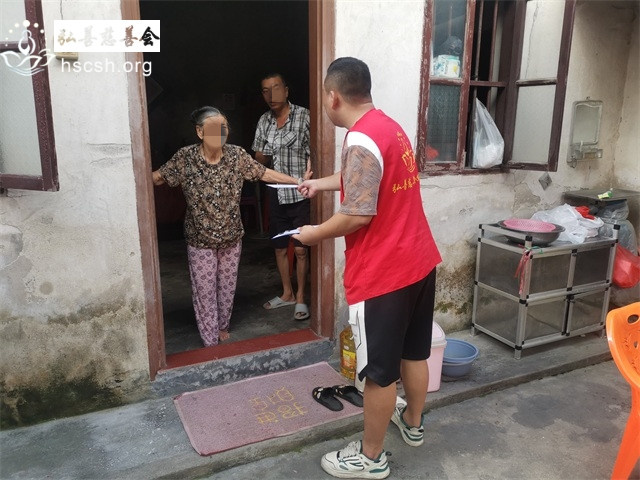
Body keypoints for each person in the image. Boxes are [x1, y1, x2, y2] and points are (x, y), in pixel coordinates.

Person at [294, 57, 442, 479]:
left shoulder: (360, 139)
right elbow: (363, 177)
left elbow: (357, 215)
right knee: (414, 352)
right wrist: (319, 183)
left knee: (379, 374)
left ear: (332, 96)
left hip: (385, 274)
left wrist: (314, 234)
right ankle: (413, 424)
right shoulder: (387, 126)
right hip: (419, 260)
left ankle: (370, 458)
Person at [152, 106, 307, 347]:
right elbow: (159, 177)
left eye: (223, 128)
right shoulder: (186, 157)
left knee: (226, 288)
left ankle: (222, 326)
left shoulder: (236, 155)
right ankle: (210, 338)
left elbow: (263, 173)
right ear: (200, 132)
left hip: (231, 237)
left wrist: (296, 181)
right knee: (204, 291)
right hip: (200, 239)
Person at [252, 73, 312, 321]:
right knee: (279, 247)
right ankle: (287, 294)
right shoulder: (264, 121)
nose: (271, 94)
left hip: (300, 193)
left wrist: (310, 177)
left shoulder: (304, 116)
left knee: (300, 249)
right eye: (266, 90)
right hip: (276, 193)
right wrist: (266, 151)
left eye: (276, 88)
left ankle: (301, 297)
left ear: (286, 91)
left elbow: (315, 152)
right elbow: (259, 158)